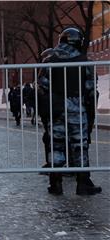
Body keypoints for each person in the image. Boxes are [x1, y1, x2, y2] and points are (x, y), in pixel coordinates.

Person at [38, 27, 102, 195]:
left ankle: (55, 184)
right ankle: (82, 184)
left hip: (56, 109)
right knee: (79, 146)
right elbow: (90, 88)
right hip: (77, 109)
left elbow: (43, 84)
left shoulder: (49, 61)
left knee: (56, 146)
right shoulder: (83, 61)